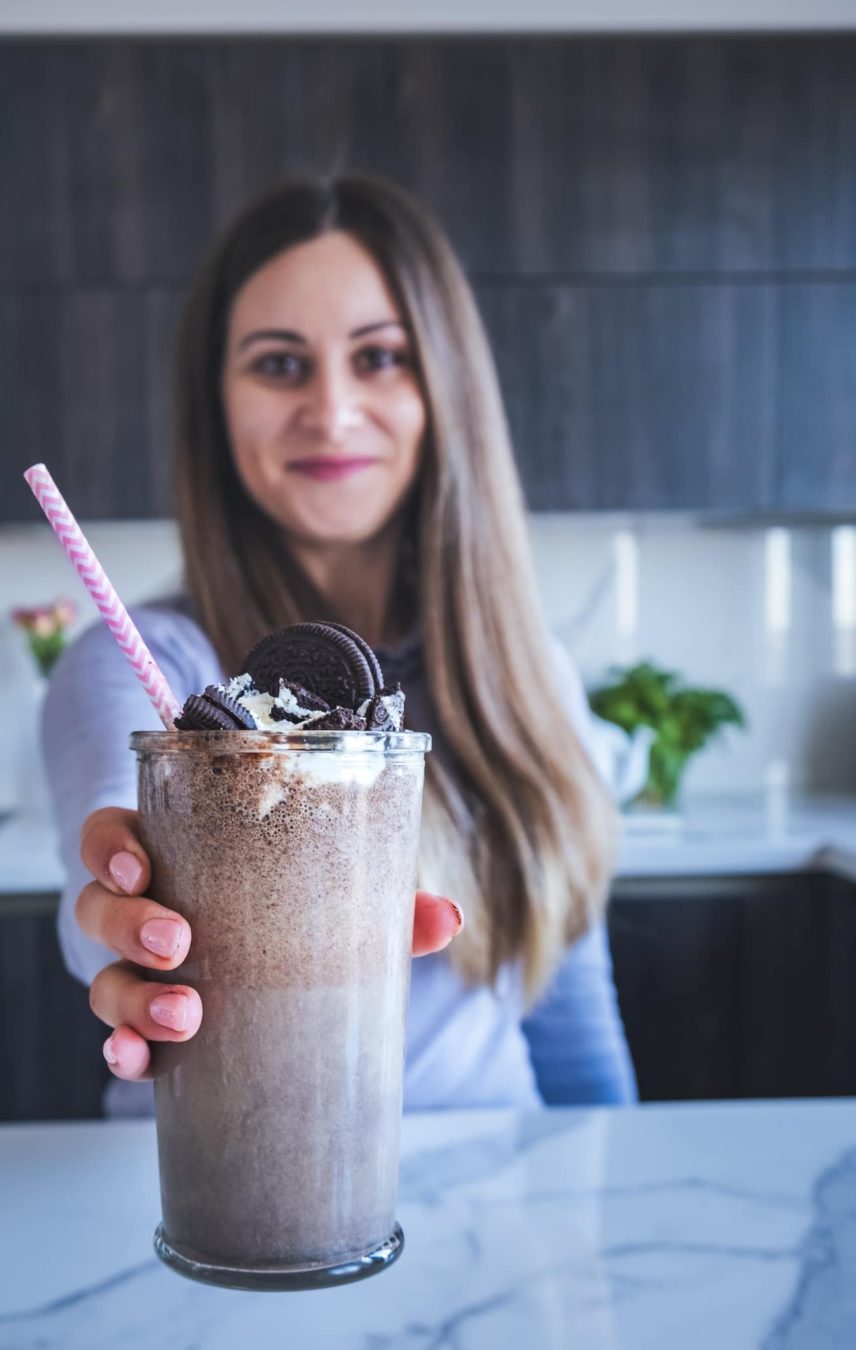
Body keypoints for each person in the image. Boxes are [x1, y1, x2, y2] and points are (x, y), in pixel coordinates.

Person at [43, 173, 638, 1118]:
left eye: (381, 357)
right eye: (279, 364)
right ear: (217, 405)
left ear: (446, 389)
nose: (330, 409)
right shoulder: (146, 664)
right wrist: (128, 926)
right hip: (226, 1224)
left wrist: (604, 1213)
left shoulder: (532, 678)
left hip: (505, 1205)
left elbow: (571, 1020)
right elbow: (107, 877)